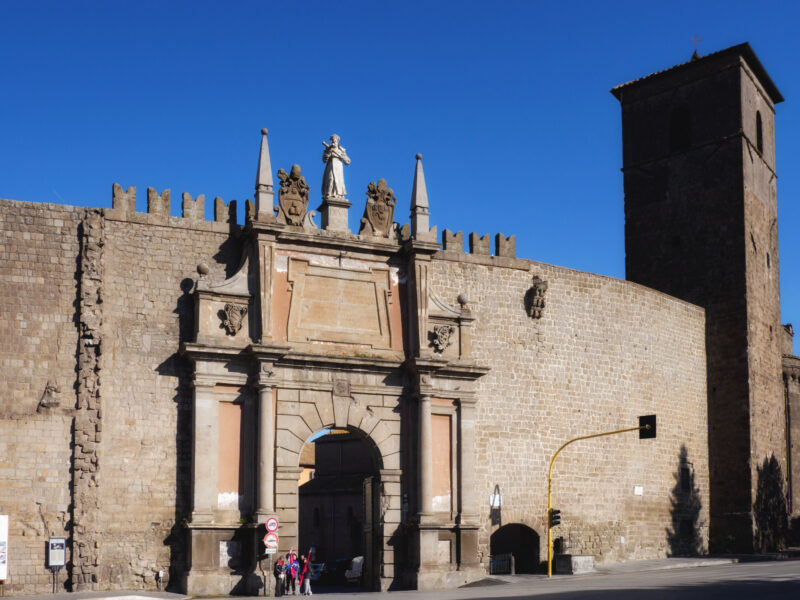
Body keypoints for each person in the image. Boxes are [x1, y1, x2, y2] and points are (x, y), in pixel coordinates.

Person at [321, 134, 351, 199]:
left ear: (337, 141)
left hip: (338, 166)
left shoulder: (341, 150)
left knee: (339, 180)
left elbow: (348, 161)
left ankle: (338, 194)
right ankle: (329, 194)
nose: (332, 142)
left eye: (334, 140)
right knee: (331, 178)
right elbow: (324, 160)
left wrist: (343, 157)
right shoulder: (328, 149)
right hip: (331, 165)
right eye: (331, 140)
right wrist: (327, 154)